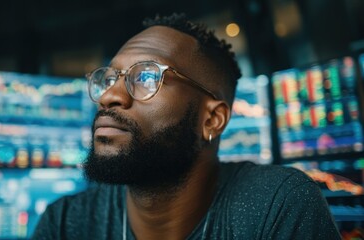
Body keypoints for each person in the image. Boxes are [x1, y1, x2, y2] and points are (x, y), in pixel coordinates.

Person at [32, 13, 341, 239]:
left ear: (212, 120)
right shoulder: (66, 222)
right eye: (108, 78)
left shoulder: (276, 205)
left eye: (146, 76)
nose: (109, 96)